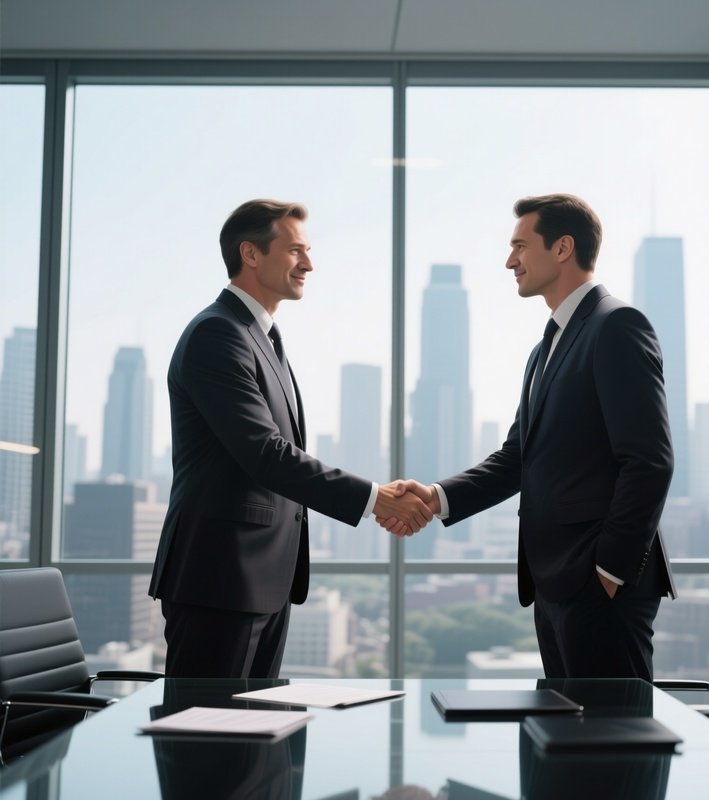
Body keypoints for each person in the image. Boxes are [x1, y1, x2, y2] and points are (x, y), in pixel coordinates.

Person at [386, 194, 676, 680]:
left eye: (520, 246)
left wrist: (608, 573)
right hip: (556, 586)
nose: (509, 261)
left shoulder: (617, 326)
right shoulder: (545, 349)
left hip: (599, 587)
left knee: (613, 744)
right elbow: (516, 458)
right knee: (568, 742)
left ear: (563, 248)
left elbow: (650, 462)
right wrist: (436, 497)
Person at [149, 199, 432, 679]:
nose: (309, 263)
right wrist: (376, 498)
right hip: (219, 580)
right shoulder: (217, 334)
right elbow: (266, 454)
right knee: (204, 740)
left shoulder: (261, 337)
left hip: (264, 581)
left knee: (254, 739)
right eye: (296, 250)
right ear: (252, 255)